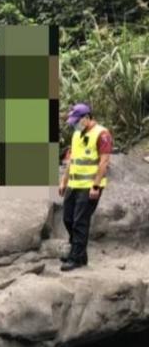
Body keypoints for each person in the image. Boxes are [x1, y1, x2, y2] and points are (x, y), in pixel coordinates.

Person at [59, 103, 112, 272]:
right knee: (68, 219)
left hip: (90, 186)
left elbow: (104, 162)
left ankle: (76, 258)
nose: (75, 124)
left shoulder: (102, 134)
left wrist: (95, 186)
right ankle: (79, 252)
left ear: (87, 117)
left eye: (77, 121)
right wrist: (64, 180)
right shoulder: (76, 134)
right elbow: (72, 159)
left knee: (80, 222)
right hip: (74, 184)